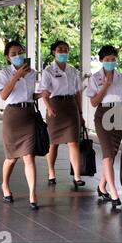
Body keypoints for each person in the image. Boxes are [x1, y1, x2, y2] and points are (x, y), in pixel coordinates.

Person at [0, 41, 41, 210]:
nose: (18, 56)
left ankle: (32, 193)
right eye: (14, 54)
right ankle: (5, 185)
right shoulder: (4, 73)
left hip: (28, 114)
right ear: (7, 57)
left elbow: (29, 95)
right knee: (11, 158)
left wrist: (41, 95)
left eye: (20, 52)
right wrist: (16, 77)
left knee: (29, 156)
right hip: (12, 116)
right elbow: (4, 96)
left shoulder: (32, 73)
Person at [86, 45, 122, 207]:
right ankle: (113, 191)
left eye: (113, 59)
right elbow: (93, 102)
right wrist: (105, 86)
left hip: (118, 114)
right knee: (106, 153)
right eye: (107, 60)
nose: (110, 62)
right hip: (103, 114)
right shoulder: (95, 78)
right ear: (101, 61)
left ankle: (101, 186)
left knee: (112, 154)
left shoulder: (121, 77)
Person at [39, 40, 86, 189]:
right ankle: (51, 171)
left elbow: (78, 93)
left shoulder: (73, 70)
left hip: (70, 106)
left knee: (73, 142)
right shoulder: (48, 71)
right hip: (55, 107)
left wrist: (80, 112)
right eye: (60, 49)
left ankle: (77, 175)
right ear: (54, 52)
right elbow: (44, 93)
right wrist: (48, 108)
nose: (63, 52)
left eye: (66, 49)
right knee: (53, 144)